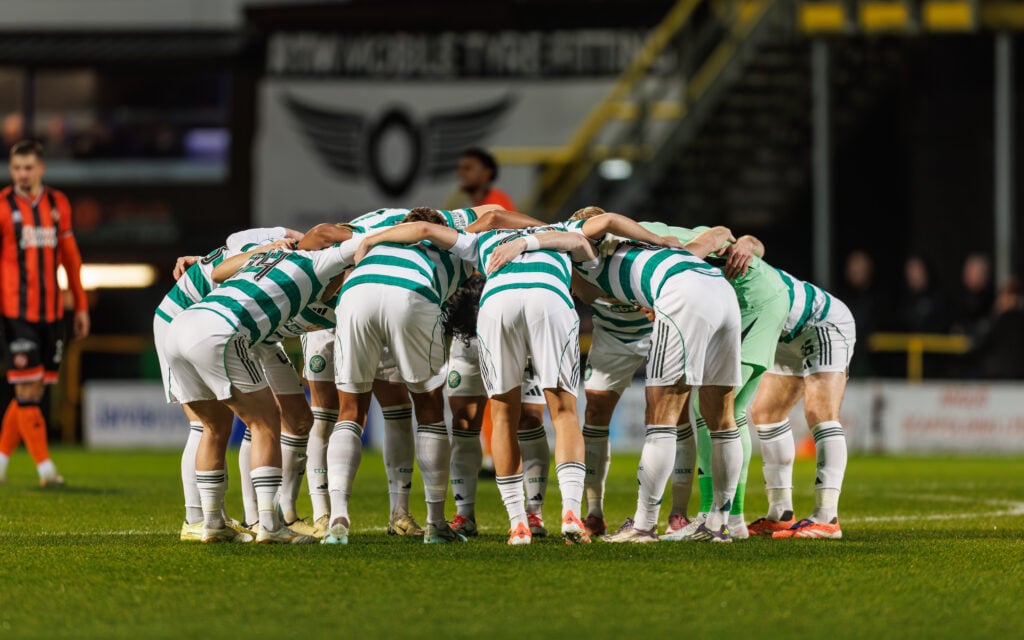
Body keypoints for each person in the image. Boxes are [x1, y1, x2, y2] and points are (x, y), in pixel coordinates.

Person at [0, 140, 89, 487]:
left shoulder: (57, 204)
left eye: (28, 167)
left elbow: (71, 258)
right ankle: (46, 469)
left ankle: (2, 463)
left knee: (32, 393)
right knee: (27, 389)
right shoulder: (4, 206)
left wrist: (79, 304)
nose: (22, 174)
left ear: (41, 168)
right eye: (16, 168)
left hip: (52, 312)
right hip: (15, 311)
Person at [746, 269, 856, 539]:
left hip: (821, 323)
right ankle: (781, 514)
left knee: (820, 412)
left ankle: (827, 517)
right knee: (766, 412)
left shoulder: (715, 278)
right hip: (782, 332)